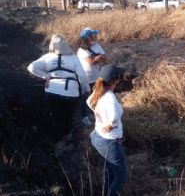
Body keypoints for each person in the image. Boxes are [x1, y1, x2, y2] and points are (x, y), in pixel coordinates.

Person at [27, 34, 90, 142]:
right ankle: (67, 137)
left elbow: (31, 67)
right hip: (71, 93)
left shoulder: (47, 57)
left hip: (51, 92)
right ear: (66, 45)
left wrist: (46, 76)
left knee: (57, 117)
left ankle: (57, 141)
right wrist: (86, 89)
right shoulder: (73, 58)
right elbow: (83, 76)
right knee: (69, 116)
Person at [87, 64, 128, 196]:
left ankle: (108, 192)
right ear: (115, 80)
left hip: (97, 136)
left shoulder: (97, 91)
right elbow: (114, 116)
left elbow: (88, 102)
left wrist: (102, 119)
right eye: (120, 77)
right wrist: (111, 124)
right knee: (122, 175)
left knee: (111, 170)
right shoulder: (110, 97)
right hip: (109, 142)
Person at [77, 28, 107, 126]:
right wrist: (98, 57)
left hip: (97, 77)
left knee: (97, 97)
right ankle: (84, 118)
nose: (95, 36)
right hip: (86, 79)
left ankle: (94, 115)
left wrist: (97, 58)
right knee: (85, 98)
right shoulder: (81, 50)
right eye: (92, 35)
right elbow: (91, 61)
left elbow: (105, 58)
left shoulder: (96, 45)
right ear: (88, 38)